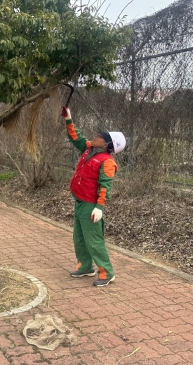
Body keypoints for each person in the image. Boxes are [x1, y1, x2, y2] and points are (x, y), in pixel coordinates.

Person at [62, 107, 126, 287]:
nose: (96, 137)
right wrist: (69, 118)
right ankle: (85, 267)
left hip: (91, 206)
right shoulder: (89, 148)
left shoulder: (107, 161)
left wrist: (100, 207)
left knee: (94, 240)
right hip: (79, 203)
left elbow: (106, 186)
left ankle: (107, 272)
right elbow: (76, 137)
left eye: (100, 137)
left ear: (106, 145)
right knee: (79, 238)